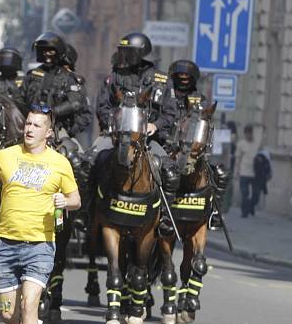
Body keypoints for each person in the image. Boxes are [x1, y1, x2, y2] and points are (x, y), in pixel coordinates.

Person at [0, 106, 80, 324]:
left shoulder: (59, 163)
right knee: (7, 312)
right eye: (27, 124)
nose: (29, 129)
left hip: (40, 244)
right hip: (5, 243)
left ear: (48, 132)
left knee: (30, 304)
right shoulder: (5, 156)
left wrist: (65, 202)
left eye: (37, 126)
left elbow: (76, 199)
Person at [92, 32, 179, 236]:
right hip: (115, 136)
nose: (125, 57)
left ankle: (165, 216)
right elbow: (102, 106)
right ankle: (87, 211)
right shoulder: (115, 75)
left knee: (170, 171)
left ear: (141, 54)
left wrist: (155, 125)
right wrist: (112, 123)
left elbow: (170, 113)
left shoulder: (162, 80)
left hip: (150, 139)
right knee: (89, 161)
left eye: (129, 53)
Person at [167, 59, 228, 229]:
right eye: (181, 75)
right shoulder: (166, 96)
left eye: (187, 76)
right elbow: (161, 119)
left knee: (221, 173)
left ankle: (215, 213)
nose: (184, 78)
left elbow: (205, 125)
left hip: (194, 150)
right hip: (168, 145)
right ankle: (162, 213)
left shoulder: (200, 100)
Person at [22, 32, 92, 148]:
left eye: (50, 51)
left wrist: (52, 112)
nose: (47, 54)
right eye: (44, 50)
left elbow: (74, 103)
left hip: (57, 129)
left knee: (73, 157)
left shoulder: (69, 78)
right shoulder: (32, 75)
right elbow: (19, 98)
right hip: (28, 125)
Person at [236, 124, 260, 218]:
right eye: (248, 133)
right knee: (245, 193)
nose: (249, 135)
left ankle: (251, 206)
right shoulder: (241, 144)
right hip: (244, 172)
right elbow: (238, 159)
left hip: (255, 173)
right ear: (245, 134)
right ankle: (244, 212)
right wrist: (237, 171)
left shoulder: (257, 144)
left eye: (251, 133)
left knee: (256, 194)